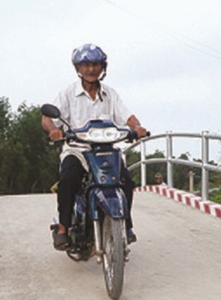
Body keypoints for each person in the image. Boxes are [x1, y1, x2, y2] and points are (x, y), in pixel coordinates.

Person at [42, 43, 149, 251]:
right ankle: (63, 227)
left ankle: (125, 224)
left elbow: (127, 116)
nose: (91, 69)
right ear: (78, 69)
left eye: (96, 64)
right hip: (78, 150)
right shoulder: (68, 94)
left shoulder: (110, 94)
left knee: (126, 181)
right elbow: (47, 119)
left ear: (102, 68)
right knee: (69, 179)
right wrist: (53, 131)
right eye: (86, 65)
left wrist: (137, 127)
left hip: (106, 150)